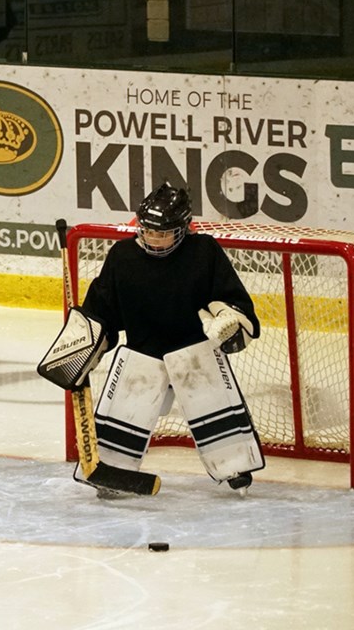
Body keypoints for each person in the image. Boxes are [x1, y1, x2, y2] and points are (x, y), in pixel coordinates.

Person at [79, 183, 265, 495]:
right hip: (143, 353)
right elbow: (100, 313)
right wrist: (82, 350)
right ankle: (112, 470)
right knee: (130, 392)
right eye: (148, 231)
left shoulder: (203, 253)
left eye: (163, 233)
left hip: (194, 352)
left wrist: (229, 321)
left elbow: (235, 303)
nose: (154, 238)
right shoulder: (123, 257)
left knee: (208, 391)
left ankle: (235, 465)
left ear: (183, 229)